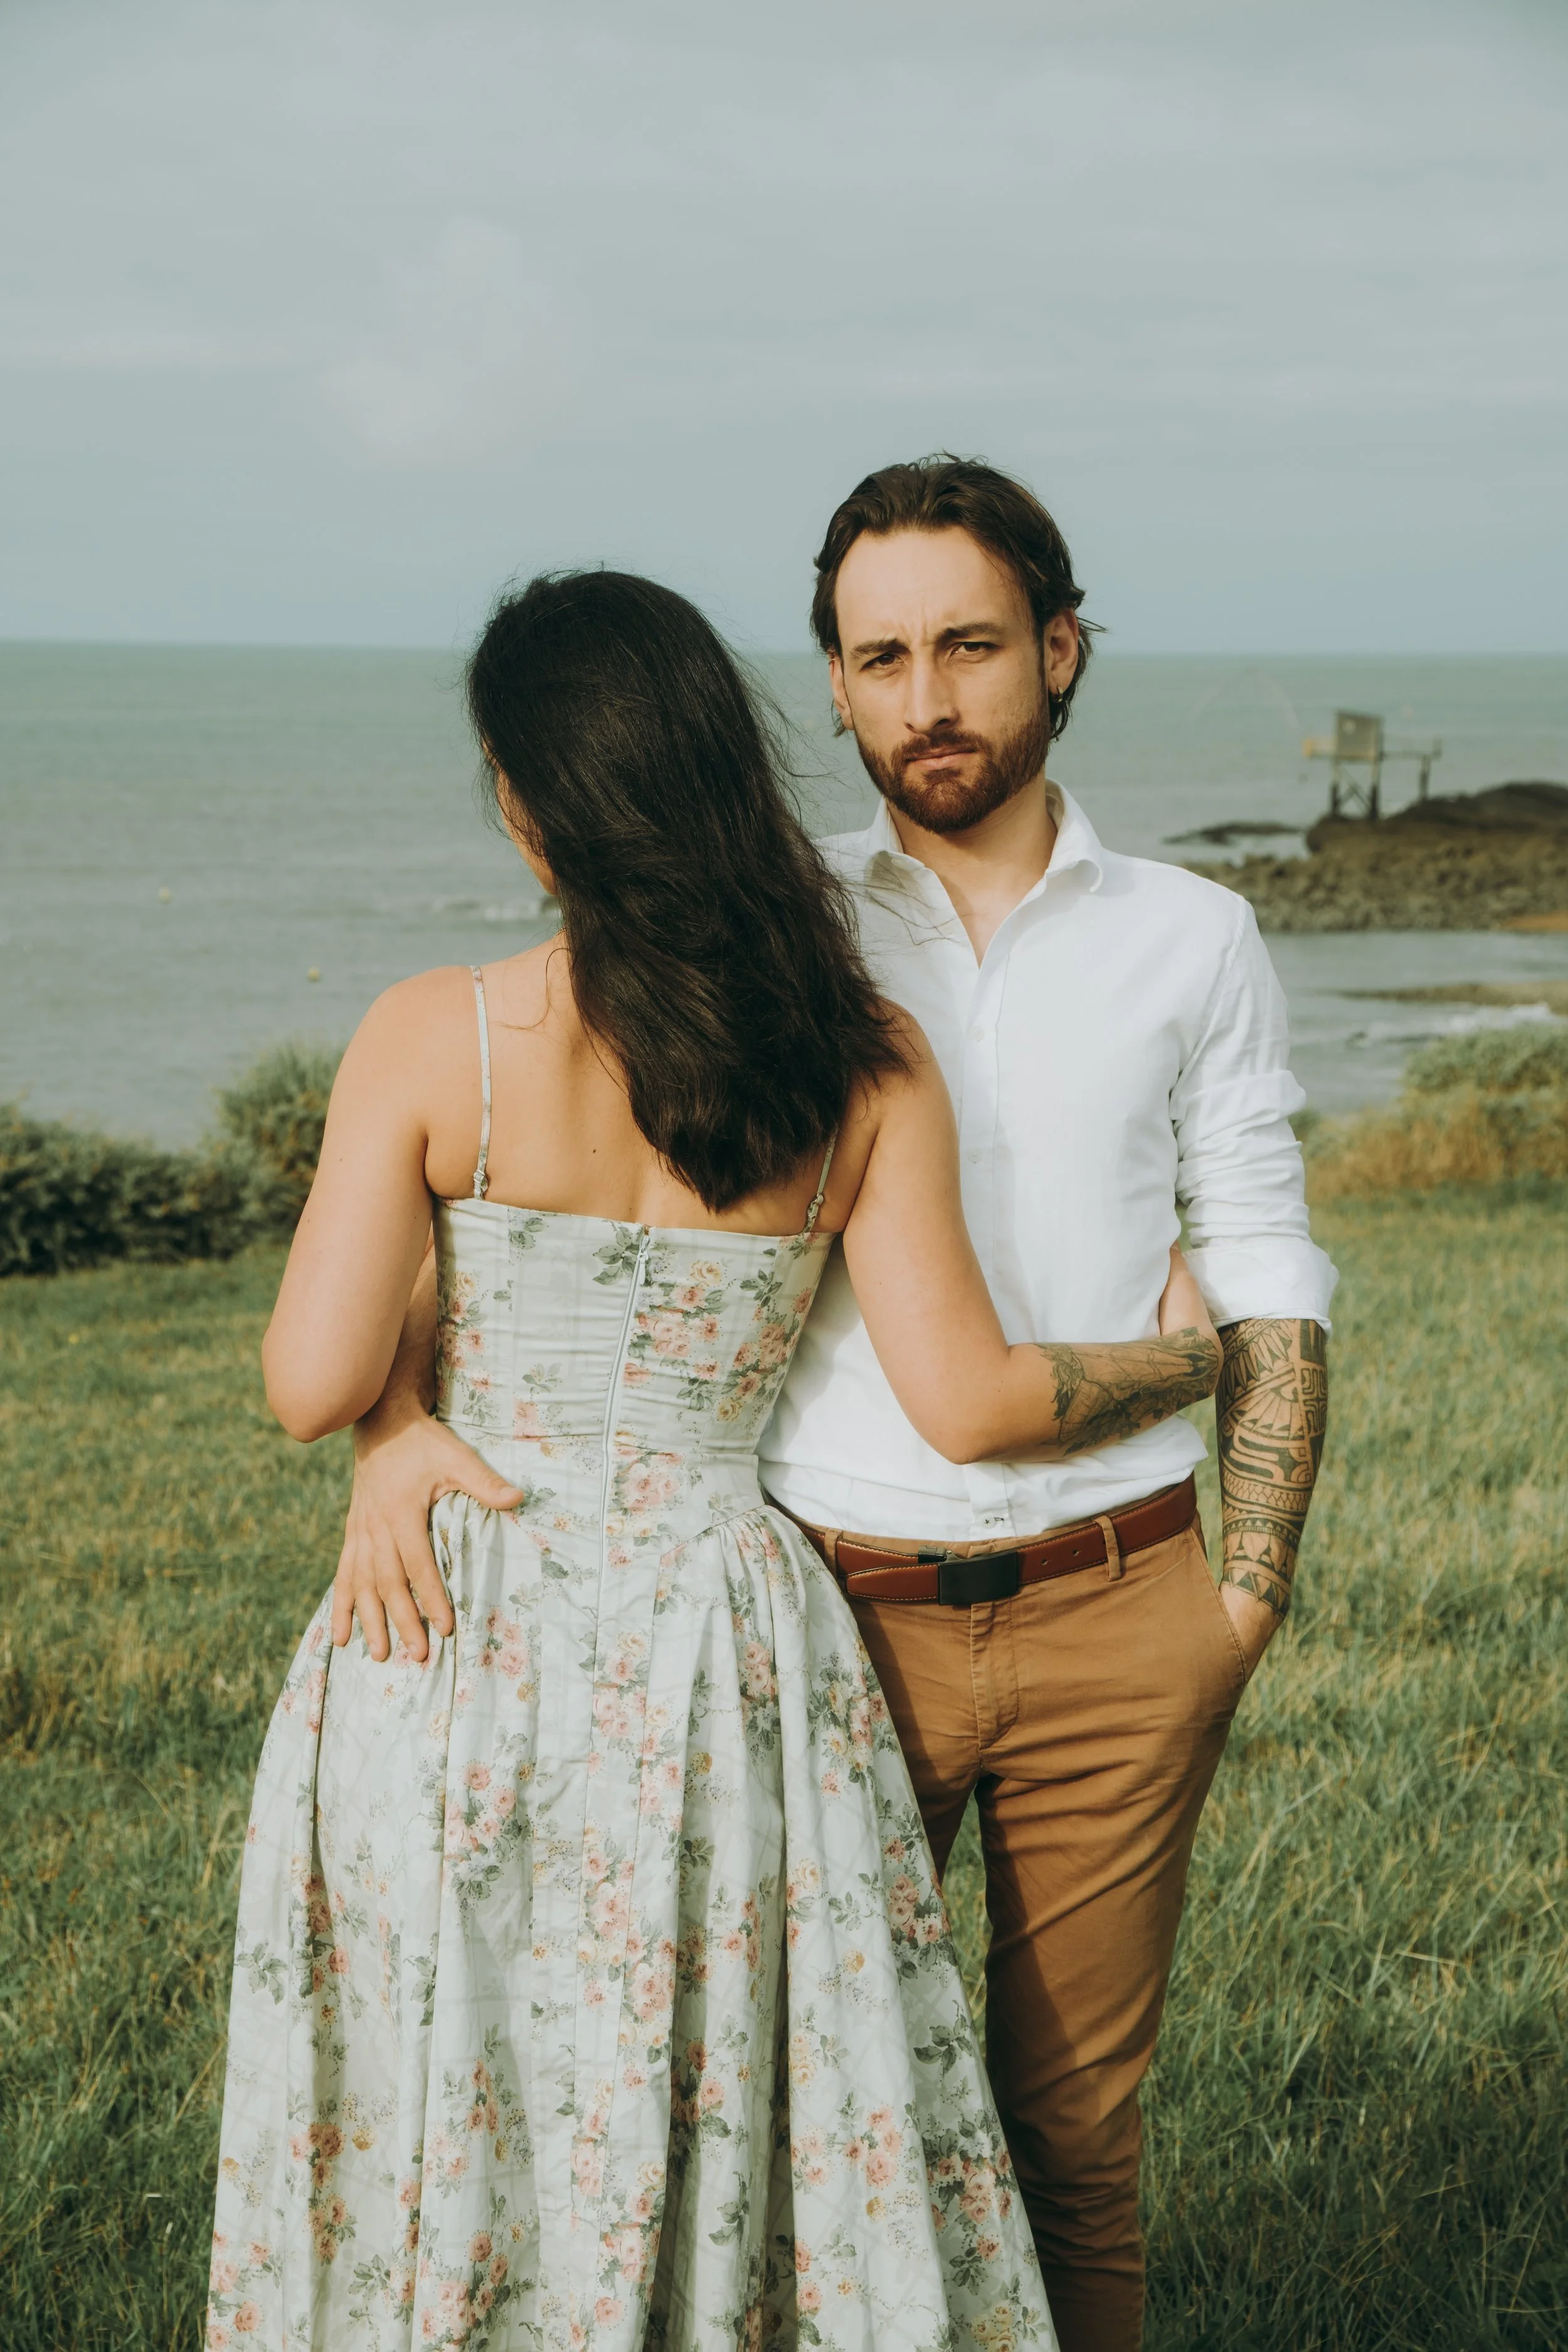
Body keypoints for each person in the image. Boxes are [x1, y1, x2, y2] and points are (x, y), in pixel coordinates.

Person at [343, 464, 1337, 2352]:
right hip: (817, 1614)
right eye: (876, 657)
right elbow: (517, 1228)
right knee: (787, 2120)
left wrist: (1243, 1602)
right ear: (827, 685)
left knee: (1072, 2136)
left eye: (967, 645)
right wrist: (390, 1424)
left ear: (1057, 649)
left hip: (1121, 1598)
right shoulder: (759, 935)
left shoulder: (1193, 934)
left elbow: (1264, 1250)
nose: (925, 697)